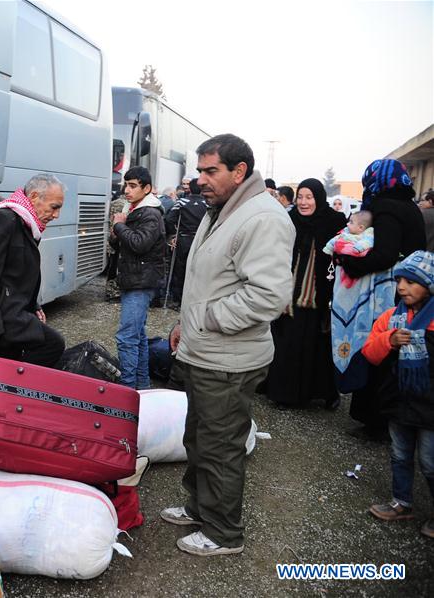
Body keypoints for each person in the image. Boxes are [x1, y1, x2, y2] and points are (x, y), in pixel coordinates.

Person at [163, 134, 294, 556]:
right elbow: (211, 278)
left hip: (230, 360)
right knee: (198, 439)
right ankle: (200, 508)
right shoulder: (221, 209)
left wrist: (206, 320)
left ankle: (223, 534)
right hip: (206, 351)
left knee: (220, 447)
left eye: (210, 171)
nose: (200, 179)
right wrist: (187, 323)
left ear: (240, 172)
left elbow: (269, 296)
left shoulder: (263, 219)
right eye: (199, 170)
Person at [332, 159, 426, 439]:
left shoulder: (386, 208)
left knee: (378, 353)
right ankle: (383, 421)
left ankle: (377, 423)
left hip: (388, 295)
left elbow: (384, 254)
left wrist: (349, 262)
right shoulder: (409, 207)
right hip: (410, 292)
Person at [361, 251, 434, 539]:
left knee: (430, 461)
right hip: (399, 401)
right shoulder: (391, 317)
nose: (402, 287)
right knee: (400, 454)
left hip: (431, 406)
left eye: (411, 282)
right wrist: (388, 340)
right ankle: (402, 502)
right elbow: (369, 352)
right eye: (400, 280)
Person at [0, 173, 66, 367]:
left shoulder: (24, 221)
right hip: (0, 317)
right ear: (34, 196)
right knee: (53, 344)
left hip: (11, 313)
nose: (56, 215)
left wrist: (33, 305)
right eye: (54, 207)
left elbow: (18, 274)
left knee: (6, 366)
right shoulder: (3, 218)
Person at [266, 178, 346, 409]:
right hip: (289, 296)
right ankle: (285, 394)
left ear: (319, 198)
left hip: (319, 296)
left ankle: (322, 393)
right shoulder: (290, 220)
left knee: (317, 347)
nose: (303, 202)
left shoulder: (334, 222)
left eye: (309, 197)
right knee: (287, 344)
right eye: (300, 197)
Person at [111, 166, 166, 389]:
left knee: (127, 338)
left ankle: (128, 389)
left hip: (141, 282)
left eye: (133, 186)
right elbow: (119, 243)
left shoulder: (150, 213)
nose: (127, 190)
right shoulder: (133, 209)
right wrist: (117, 231)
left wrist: (119, 225)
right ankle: (142, 387)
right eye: (126, 185)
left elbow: (139, 243)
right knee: (138, 337)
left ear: (147, 188)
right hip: (134, 279)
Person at [164, 179, 208, 305]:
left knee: (180, 269)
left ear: (190, 189)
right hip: (200, 239)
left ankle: (178, 299)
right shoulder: (207, 204)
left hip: (183, 238)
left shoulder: (181, 202)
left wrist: (174, 233)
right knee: (197, 269)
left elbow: (169, 219)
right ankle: (194, 297)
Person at [323, 210, 374, 288]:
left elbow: (368, 242)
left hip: (356, 266)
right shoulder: (346, 232)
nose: (347, 224)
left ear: (360, 227)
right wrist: (329, 248)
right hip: (343, 267)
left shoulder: (367, 235)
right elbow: (336, 239)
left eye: (351, 222)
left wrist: (359, 247)